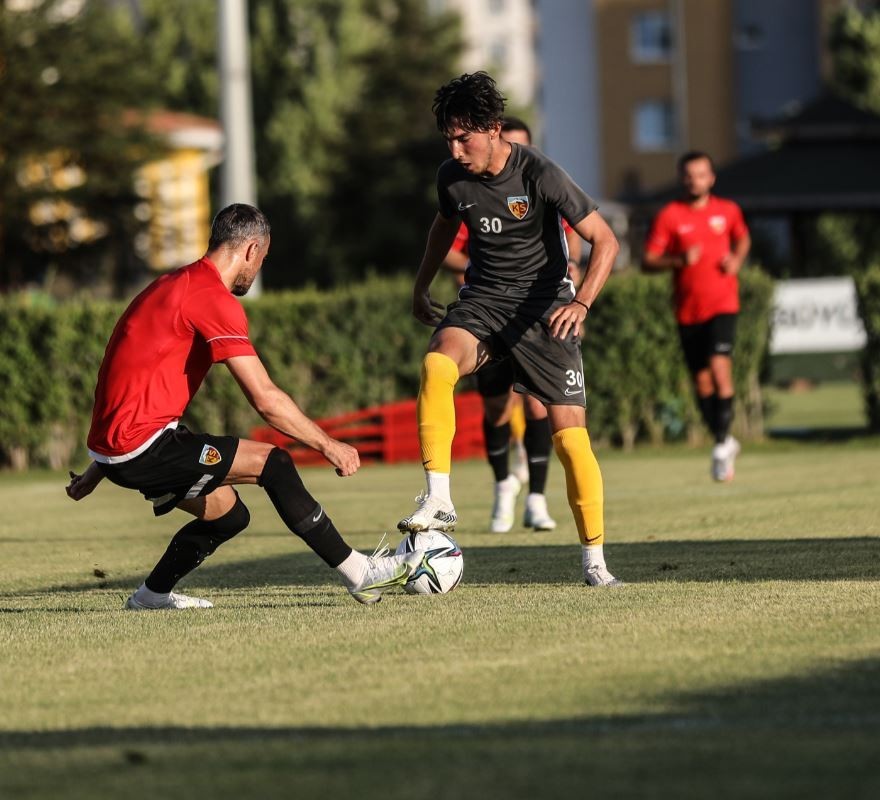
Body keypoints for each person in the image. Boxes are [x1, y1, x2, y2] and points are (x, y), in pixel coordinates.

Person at [66, 204, 422, 609]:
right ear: (252, 249)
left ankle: (151, 596)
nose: (258, 269)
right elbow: (265, 400)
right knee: (275, 464)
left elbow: (127, 377)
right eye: (263, 259)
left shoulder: (170, 284)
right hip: (141, 447)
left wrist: (99, 466)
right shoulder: (211, 298)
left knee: (228, 516)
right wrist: (329, 445)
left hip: (122, 447)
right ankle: (360, 573)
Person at [398, 72, 622, 587]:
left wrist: (582, 302)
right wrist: (421, 286)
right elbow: (442, 227)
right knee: (436, 364)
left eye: (464, 138)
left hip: (546, 310)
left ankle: (595, 562)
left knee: (571, 440)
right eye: (448, 139)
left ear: (494, 128)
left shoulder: (539, 172)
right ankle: (439, 497)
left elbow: (606, 240)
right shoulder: (451, 178)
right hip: (483, 302)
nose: (455, 150)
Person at [440, 117, 583, 534]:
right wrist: (486, 263)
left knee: (540, 405)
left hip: (536, 316)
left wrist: (575, 280)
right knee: (497, 409)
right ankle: (503, 486)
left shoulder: (542, 182)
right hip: (487, 318)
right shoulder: (473, 191)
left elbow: (578, 233)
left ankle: (536, 497)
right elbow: (448, 244)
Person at [642, 151, 751, 481]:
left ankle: (719, 445)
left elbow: (742, 238)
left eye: (701, 174)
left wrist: (737, 259)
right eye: (689, 175)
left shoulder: (728, 210)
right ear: (682, 178)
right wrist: (678, 260)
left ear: (711, 178)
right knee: (701, 382)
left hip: (723, 305)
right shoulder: (670, 215)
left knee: (720, 368)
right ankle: (725, 441)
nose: (695, 181)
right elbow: (649, 260)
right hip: (688, 311)